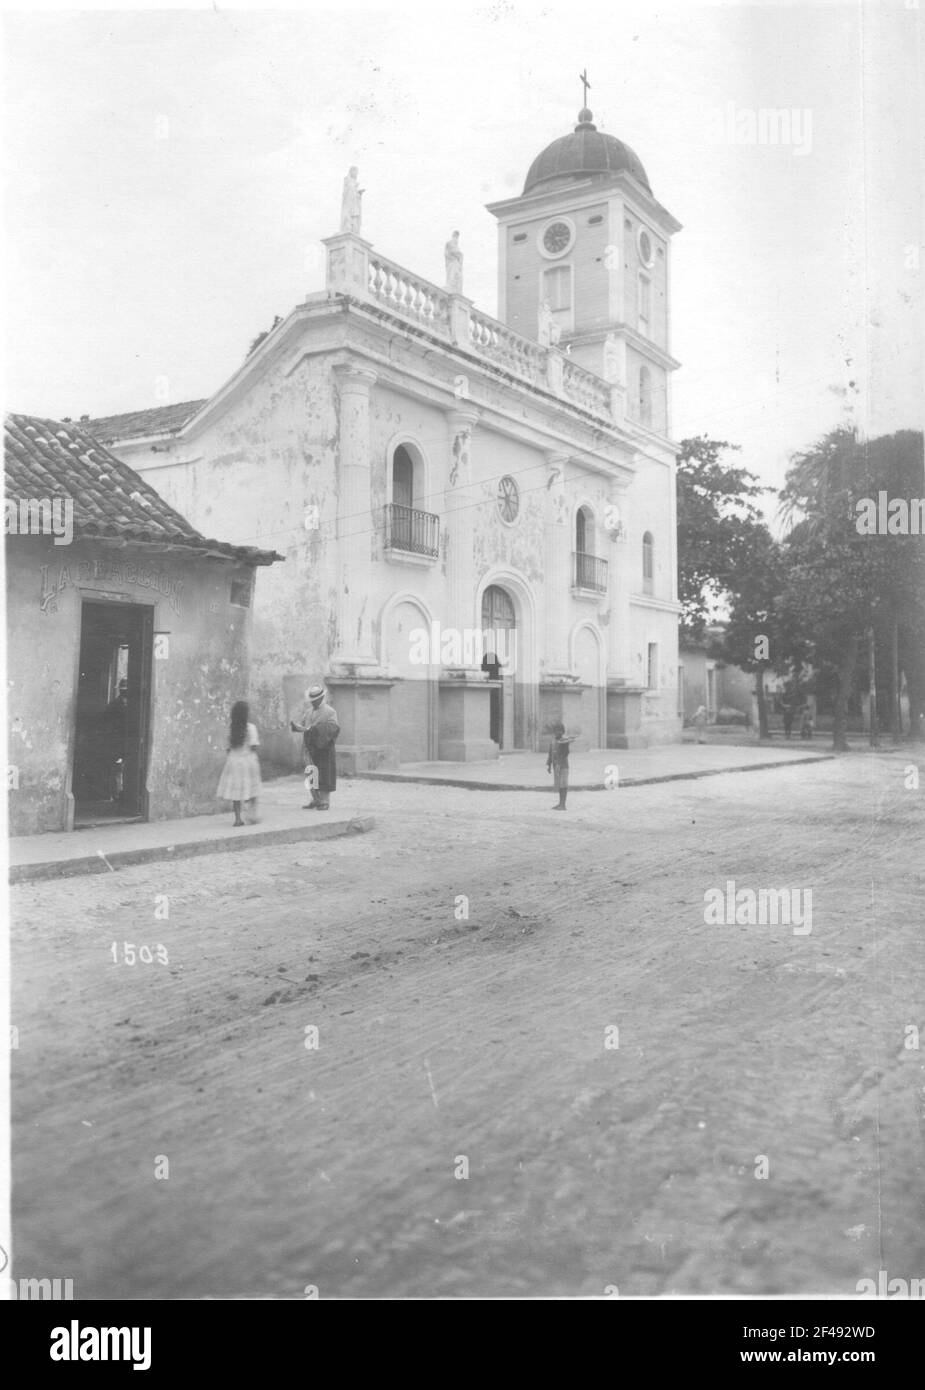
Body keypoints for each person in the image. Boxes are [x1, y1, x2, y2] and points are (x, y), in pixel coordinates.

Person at [291, 684, 340, 810]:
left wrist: (316, 729)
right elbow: (304, 726)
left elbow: (333, 728)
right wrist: (296, 727)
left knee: (324, 773)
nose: (313, 703)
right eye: (311, 701)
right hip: (309, 747)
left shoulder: (330, 711)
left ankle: (325, 801)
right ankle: (315, 798)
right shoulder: (308, 712)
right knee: (311, 772)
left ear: (321, 698)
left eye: (315, 700)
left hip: (324, 748)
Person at [217, 700, 261, 827]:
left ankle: (237, 819)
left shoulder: (230, 729)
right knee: (252, 788)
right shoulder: (251, 728)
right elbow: (254, 746)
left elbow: (227, 748)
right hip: (248, 760)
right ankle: (252, 815)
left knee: (236, 791)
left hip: (234, 761)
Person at [546, 721, 576, 811]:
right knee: (559, 785)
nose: (557, 733)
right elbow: (550, 753)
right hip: (556, 766)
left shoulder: (564, 741)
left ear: (563, 732)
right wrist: (549, 765)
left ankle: (563, 805)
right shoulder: (552, 741)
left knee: (563, 785)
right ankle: (560, 803)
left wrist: (565, 745)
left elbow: (566, 754)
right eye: (556, 731)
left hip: (563, 766)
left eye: (560, 731)